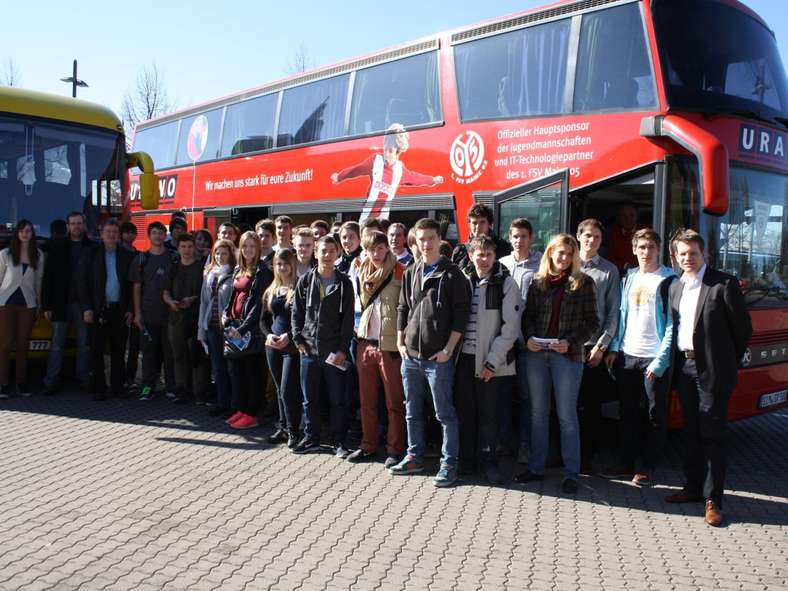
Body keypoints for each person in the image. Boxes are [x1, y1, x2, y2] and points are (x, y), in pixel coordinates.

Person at [665, 229, 751, 527]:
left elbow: (743, 330)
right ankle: (692, 488)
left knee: (713, 436)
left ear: (704, 254)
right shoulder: (675, 286)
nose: (688, 258)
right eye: (682, 254)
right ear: (675, 257)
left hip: (713, 371)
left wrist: (726, 362)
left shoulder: (723, 283)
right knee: (690, 432)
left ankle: (713, 500)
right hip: (685, 368)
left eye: (693, 253)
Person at [514, 234, 598, 494]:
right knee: (538, 413)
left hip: (567, 356)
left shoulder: (583, 282)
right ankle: (536, 467)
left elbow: (592, 322)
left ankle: (571, 473)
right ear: (550, 253)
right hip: (537, 354)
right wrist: (529, 338)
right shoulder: (537, 282)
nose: (564, 258)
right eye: (560, 252)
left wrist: (570, 342)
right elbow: (527, 317)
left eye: (569, 254)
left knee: (566, 415)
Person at [391, 218, 470, 488]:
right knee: (411, 411)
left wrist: (448, 350)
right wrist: (400, 342)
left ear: (439, 240)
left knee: (444, 414)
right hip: (411, 356)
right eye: (421, 239)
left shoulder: (453, 274)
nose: (426, 244)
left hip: (439, 359)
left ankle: (449, 464)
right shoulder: (411, 271)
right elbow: (402, 308)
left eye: (430, 239)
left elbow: (461, 317)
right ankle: (414, 456)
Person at [601, 229, 676, 486]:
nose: (646, 252)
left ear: (659, 249)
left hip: (654, 358)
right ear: (634, 249)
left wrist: (661, 361)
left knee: (654, 414)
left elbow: (672, 325)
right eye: (641, 247)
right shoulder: (629, 277)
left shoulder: (670, 280)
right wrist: (614, 348)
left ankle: (647, 466)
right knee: (628, 413)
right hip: (627, 355)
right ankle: (625, 462)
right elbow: (621, 315)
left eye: (651, 247)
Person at [456, 236, 522, 484]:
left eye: (488, 255)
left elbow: (510, 329)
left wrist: (492, 361)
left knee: (489, 416)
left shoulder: (505, 283)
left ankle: (488, 463)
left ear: (495, 256)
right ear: (471, 255)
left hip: (491, 362)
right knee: (465, 413)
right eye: (479, 254)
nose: (483, 259)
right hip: (463, 359)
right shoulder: (462, 279)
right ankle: (466, 463)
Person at [346, 231, 407, 468]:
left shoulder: (400, 270)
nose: (376, 253)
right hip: (365, 341)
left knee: (394, 402)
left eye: (380, 248)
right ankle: (368, 445)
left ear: (387, 248)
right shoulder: (361, 269)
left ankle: (395, 448)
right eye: (371, 249)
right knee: (367, 401)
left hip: (390, 346)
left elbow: (407, 307)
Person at [291, 235, 355, 456]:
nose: (327, 255)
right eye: (323, 251)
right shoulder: (305, 281)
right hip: (308, 351)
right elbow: (296, 313)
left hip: (334, 352)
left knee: (337, 400)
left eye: (331, 251)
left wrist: (343, 349)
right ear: (316, 253)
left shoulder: (344, 283)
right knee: (310, 400)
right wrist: (298, 340)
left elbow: (348, 320)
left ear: (337, 253)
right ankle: (312, 439)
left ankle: (339, 442)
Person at [576, 219, 620, 473]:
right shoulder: (565, 263)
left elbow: (613, 313)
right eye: (587, 235)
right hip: (566, 347)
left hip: (593, 348)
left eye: (596, 237)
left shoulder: (609, 271)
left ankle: (587, 457)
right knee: (565, 404)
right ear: (578, 236)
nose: (591, 240)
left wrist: (602, 346)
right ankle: (566, 453)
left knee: (591, 405)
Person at [330, 123, 443, 221]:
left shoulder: (400, 170)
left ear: (398, 152)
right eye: (385, 150)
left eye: (390, 151)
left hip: (383, 216)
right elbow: (356, 170)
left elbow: (417, 178)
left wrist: (433, 180)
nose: (387, 154)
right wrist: (339, 176)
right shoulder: (375, 160)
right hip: (367, 215)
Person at [498, 217, 542, 463]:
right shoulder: (502, 263)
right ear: (510, 238)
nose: (519, 240)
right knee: (504, 393)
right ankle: (504, 443)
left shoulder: (540, 264)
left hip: (528, 339)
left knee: (527, 396)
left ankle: (526, 445)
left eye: (523, 236)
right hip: (504, 338)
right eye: (515, 236)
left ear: (531, 238)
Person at [77, 219, 134, 400]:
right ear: (101, 234)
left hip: (119, 310)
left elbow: (132, 285)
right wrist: (86, 308)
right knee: (96, 350)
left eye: (114, 232)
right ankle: (98, 388)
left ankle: (118, 387)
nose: (111, 235)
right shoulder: (91, 253)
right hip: (97, 309)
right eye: (108, 232)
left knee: (119, 350)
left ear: (119, 235)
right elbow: (82, 283)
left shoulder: (127, 255)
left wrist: (130, 308)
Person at [224, 232, 273, 429]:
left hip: (251, 331)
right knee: (239, 374)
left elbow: (258, 306)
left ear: (258, 248)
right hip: (235, 327)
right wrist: (226, 315)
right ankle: (242, 410)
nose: (248, 250)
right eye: (245, 246)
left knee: (253, 374)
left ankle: (252, 414)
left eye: (252, 246)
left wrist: (243, 329)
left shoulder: (263, 272)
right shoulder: (239, 269)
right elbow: (233, 297)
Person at [42, 211, 93, 394]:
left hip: (82, 304)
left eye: (79, 223)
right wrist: (47, 305)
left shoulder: (92, 247)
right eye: (73, 223)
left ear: (84, 225)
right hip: (60, 302)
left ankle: (84, 379)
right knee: (57, 344)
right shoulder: (57, 246)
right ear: (67, 226)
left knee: (84, 344)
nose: (76, 226)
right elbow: (48, 277)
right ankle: (51, 381)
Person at [129, 221, 177, 401]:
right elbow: (136, 288)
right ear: (149, 236)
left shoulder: (174, 257)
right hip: (148, 314)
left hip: (170, 314)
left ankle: (171, 387)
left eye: (160, 233)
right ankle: (147, 387)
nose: (158, 236)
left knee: (170, 352)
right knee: (149, 353)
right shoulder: (141, 259)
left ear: (165, 235)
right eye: (154, 232)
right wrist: (137, 313)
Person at [261, 248, 302, 447]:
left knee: (288, 390)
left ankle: (294, 431)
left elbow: (305, 320)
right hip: (273, 345)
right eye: (278, 264)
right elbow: (263, 320)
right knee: (279, 389)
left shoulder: (300, 287)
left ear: (292, 265)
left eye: (286, 264)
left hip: (291, 347)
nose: (282, 267)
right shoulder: (271, 289)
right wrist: (268, 335)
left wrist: (290, 336)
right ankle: (283, 427)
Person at [0, 220, 44, 398]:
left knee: (23, 344)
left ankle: (21, 382)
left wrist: (39, 304)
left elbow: (38, 280)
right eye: (22, 231)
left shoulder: (38, 254)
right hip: (6, 303)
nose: (25, 234)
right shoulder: (5, 254)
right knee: (5, 344)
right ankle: (3, 384)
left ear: (32, 233)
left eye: (28, 231)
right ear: (17, 233)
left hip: (28, 304)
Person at [163, 232, 206, 404]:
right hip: (176, 318)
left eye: (189, 246)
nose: (186, 250)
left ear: (194, 248)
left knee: (197, 356)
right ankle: (181, 390)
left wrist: (192, 299)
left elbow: (206, 293)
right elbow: (165, 292)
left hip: (196, 317)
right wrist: (170, 302)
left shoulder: (201, 268)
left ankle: (199, 392)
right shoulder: (173, 267)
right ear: (178, 248)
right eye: (183, 246)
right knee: (179, 355)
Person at [198, 239, 236, 417]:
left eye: (224, 253)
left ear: (231, 255)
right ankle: (222, 402)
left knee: (231, 368)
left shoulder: (235, 274)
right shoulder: (209, 273)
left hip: (228, 329)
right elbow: (203, 302)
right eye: (217, 253)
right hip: (211, 326)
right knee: (218, 368)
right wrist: (201, 330)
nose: (220, 257)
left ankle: (234, 405)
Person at [452, 204, 511, 274]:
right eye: (474, 223)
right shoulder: (461, 251)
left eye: (482, 222)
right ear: (469, 224)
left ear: (489, 224)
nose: (478, 227)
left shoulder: (503, 247)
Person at [120, 222, 141, 388]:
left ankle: (130, 378)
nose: (130, 235)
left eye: (132, 232)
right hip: (120, 303)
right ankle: (120, 377)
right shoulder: (117, 254)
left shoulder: (139, 255)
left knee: (134, 345)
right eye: (127, 232)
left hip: (134, 304)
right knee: (119, 345)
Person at [606, 202, 641, 273]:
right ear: (619, 217)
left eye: (632, 215)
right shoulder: (613, 233)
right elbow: (610, 258)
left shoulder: (645, 232)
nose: (628, 219)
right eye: (624, 216)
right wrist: (625, 266)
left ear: (637, 216)